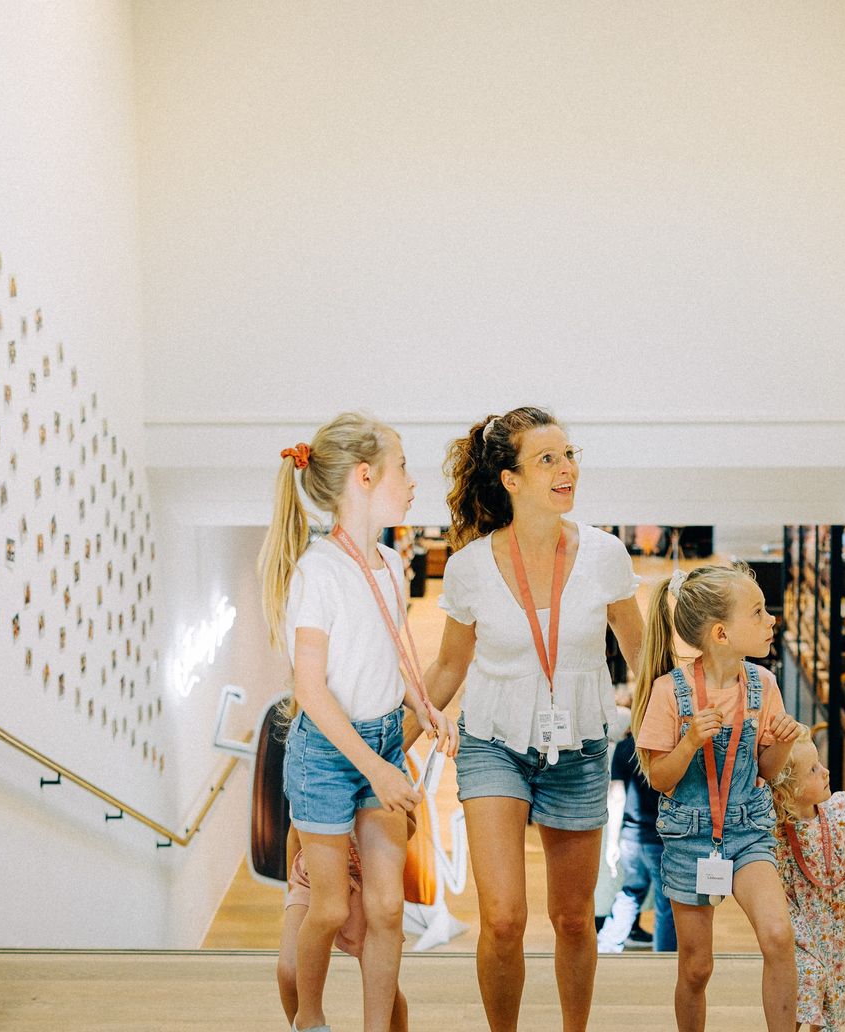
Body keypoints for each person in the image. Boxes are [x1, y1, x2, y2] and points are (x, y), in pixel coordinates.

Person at [422, 406, 644, 1032]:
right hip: (494, 743)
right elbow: (447, 667)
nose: (566, 468)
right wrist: (386, 749)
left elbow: (641, 655)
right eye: (548, 459)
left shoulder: (604, 554)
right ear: (511, 479)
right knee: (503, 919)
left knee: (573, 917)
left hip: (580, 747)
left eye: (569, 455)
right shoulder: (470, 567)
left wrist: (685, 719)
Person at [258, 413, 452, 1032]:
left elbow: (393, 654)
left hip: (381, 744)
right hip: (326, 756)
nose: (413, 482)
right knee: (331, 908)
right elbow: (310, 691)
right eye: (403, 469)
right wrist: (377, 769)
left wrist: (425, 707)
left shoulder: (391, 563)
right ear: (366, 476)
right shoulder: (318, 572)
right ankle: (310, 1019)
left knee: (388, 908)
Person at [633, 564, 799, 1032]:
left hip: (749, 832)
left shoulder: (764, 685)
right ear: (722, 633)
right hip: (689, 839)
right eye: (758, 612)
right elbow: (660, 778)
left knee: (779, 935)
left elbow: (767, 770)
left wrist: (784, 743)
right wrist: (689, 742)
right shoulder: (670, 691)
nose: (771, 619)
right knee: (696, 967)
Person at [769, 727, 845, 1029]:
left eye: (819, 764)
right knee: (806, 978)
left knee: (831, 985)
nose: (825, 771)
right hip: (799, 922)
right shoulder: (777, 828)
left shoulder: (838, 811)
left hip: (835, 921)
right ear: (788, 791)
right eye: (813, 770)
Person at [275, 826, 410, 1032]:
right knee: (289, 972)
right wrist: (293, 892)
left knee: (383, 994)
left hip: (366, 881)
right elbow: (294, 833)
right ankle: (307, 1025)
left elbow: (407, 827)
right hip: (312, 873)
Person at [598, 724, 671, 952]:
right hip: (661, 838)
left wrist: (612, 842)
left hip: (630, 837)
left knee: (631, 892)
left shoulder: (624, 747)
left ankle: (607, 945)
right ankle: (666, 956)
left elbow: (616, 796)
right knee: (666, 903)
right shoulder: (667, 746)